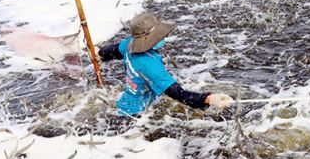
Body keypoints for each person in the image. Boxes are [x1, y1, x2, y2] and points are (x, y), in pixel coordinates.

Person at [99, 12, 233, 116]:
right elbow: (179, 95)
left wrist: (100, 54)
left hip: (125, 105)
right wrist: (209, 99)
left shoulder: (129, 44)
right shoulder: (150, 66)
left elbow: (112, 51)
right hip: (137, 115)